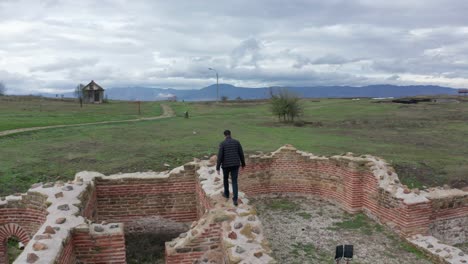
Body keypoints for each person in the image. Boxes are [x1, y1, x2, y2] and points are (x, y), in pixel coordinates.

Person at [216, 130, 245, 206]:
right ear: (230, 134)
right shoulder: (236, 142)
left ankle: (226, 194)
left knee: (225, 179)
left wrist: (218, 167)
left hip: (226, 165)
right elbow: (241, 154)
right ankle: (235, 199)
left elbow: (220, 156)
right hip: (235, 164)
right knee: (234, 181)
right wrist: (243, 164)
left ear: (224, 135)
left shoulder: (222, 143)